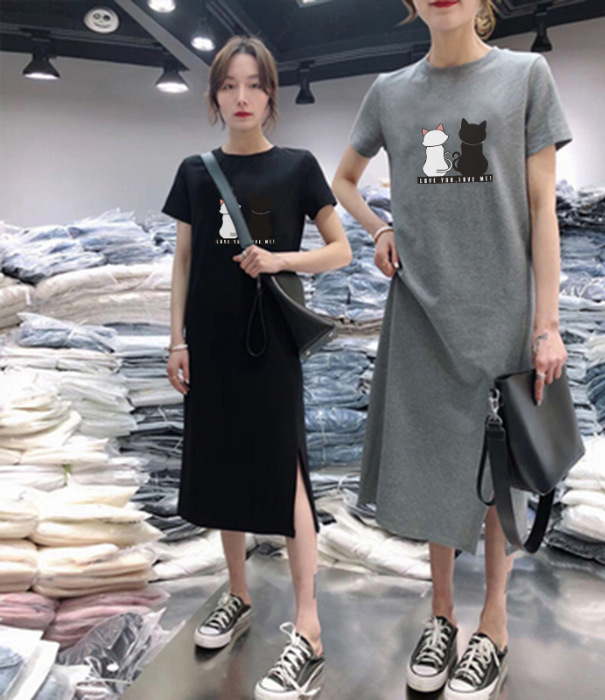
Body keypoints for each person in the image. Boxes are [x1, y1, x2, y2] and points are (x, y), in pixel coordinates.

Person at [332, 0, 572, 697]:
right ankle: (441, 615)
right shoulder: (389, 92)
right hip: (420, 310)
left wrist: (548, 321)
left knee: (496, 470)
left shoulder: (525, 78)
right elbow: (343, 179)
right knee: (434, 465)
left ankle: (494, 624)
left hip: (500, 311)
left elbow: (543, 208)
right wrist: (379, 229)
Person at [162, 35, 352, 700]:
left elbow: (340, 250)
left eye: (254, 85)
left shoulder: (298, 167)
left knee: (285, 469)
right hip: (211, 341)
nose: (241, 97)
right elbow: (184, 261)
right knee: (220, 464)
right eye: (229, 85)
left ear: (271, 94)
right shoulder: (195, 171)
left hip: (269, 343)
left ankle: (309, 624)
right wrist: (176, 340)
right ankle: (238, 595)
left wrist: (280, 260)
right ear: (214, 95)